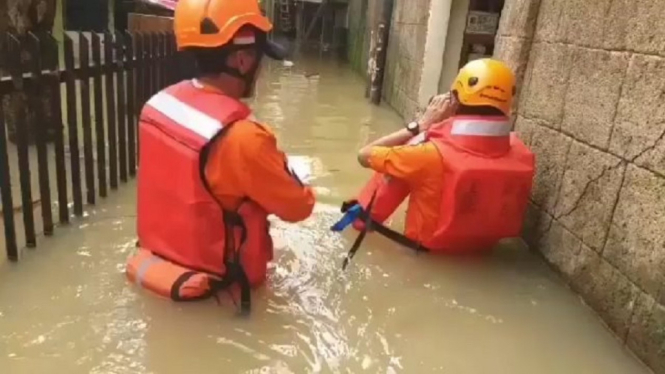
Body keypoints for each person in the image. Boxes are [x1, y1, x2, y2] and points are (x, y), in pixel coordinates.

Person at [126, 0, 315, 315]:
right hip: (219, 296)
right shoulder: (244, 138)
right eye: (259, 59)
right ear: (242, 60)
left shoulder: (158, 105)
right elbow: (300, 207)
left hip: (154, 272)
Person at [333, 58, 535, 263]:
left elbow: (364, 155)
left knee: (399, 163)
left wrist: (420, 126)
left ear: (454, 101)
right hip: (487, 259)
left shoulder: (426, 154)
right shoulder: (522, 153)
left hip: (424, 259)